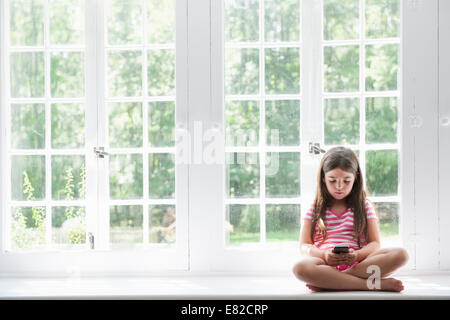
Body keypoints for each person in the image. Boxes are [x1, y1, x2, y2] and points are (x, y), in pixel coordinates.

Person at [292, 146, 409, 292]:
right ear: (323, 178)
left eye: (346, 181)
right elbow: (304, 245)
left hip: (359, 264)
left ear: (355, 178)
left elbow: (375, 243)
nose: (339, 186)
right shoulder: (315, 207)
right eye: (332, 180)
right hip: (326, 264)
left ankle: (333, 281)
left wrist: (357, 255)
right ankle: (371, 285)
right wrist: (324, 255)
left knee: (401, 255)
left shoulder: (364, 206)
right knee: (300, 268)